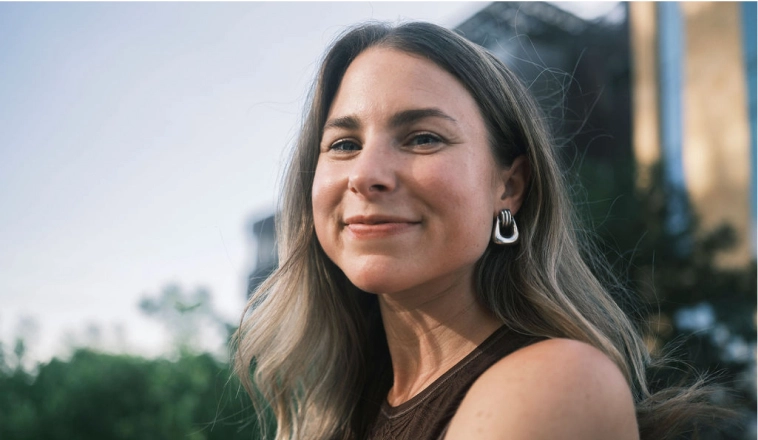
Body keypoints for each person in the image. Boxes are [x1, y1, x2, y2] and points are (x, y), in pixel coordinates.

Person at [234, 21, 724, 440]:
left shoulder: (556, 382)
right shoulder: (349, 408)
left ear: (508, 188)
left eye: (423, 138)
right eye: (343, 144)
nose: (365, 174)